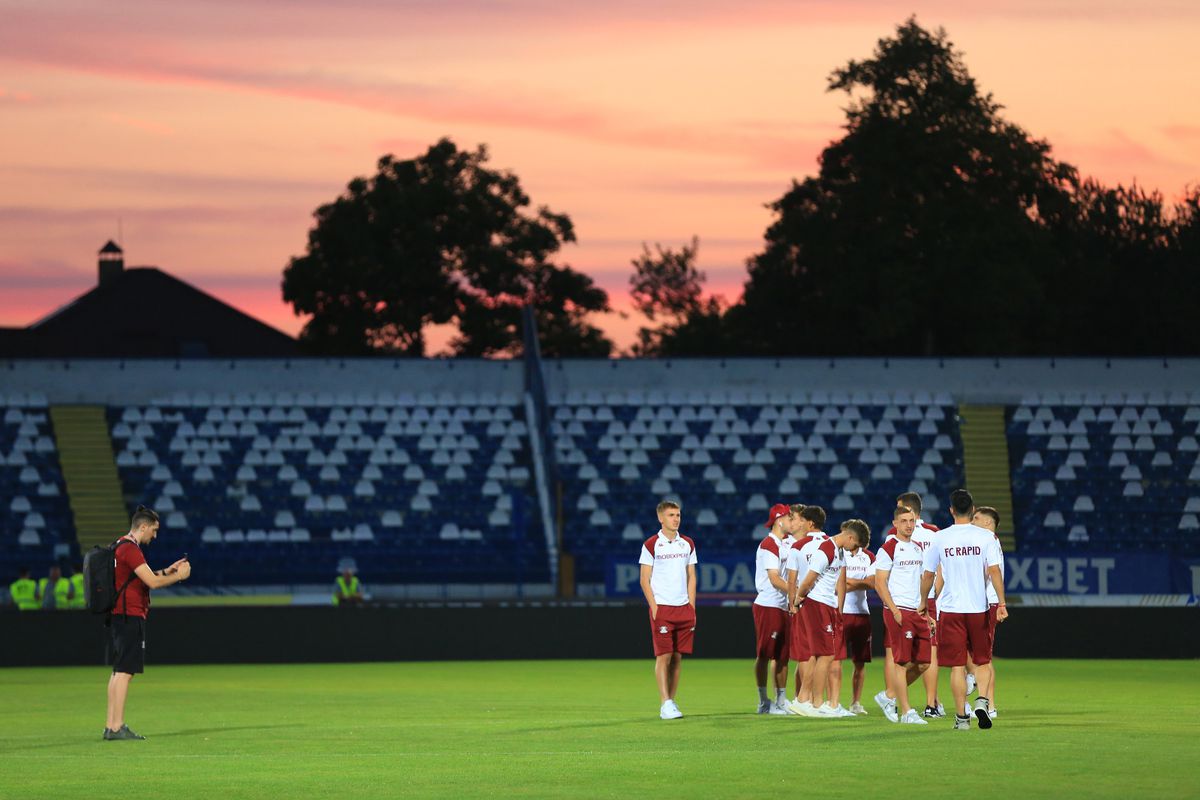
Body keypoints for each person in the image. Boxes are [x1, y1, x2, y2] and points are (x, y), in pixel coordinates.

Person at [918, 489, 1007, 731]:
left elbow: (928, 574)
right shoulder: (986, 538)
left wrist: (923, 602)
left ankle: (962, 718)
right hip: (978, 607)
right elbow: (995, 571)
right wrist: (1001, 603)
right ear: (972, 510)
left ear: (951, 510)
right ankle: (982, 701)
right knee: (982, 661)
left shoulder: (940, 537)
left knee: (957, 666)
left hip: (950, 609)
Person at [105, 505, 191, 741]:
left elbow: (142, 577)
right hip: (129, 614)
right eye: (153, 530)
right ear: (142, 527)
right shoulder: (131, 550)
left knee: (118, 671)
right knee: (125, 671)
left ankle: (111, 724)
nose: (155, 535)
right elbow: (152, 583)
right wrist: (179, 576)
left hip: (120, 614)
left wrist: (167, 570)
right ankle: (116, 727)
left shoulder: (120, 544)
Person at [791, 519, 870, 718]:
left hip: (827, 605)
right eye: (856, 545)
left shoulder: (839, 551)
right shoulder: (825, 549)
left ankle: (808, 701)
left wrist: (837, 608)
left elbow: (837, 581)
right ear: (850, 537)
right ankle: (814, 703)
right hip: (817, 604)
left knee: (821, 655)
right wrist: (798, 599)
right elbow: (809, 578)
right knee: (825, 655)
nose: (855, 550)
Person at [886, 491, 945, 717]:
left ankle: (891, 696)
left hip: (905, 600)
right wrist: (935, 597)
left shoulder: (894, 535)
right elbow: (940, 570)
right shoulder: (935, 533)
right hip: (927, 598)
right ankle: (932, 704)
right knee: (931, 652)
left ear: (907, 510)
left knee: (898, 654)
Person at [873, 505, 932, 725]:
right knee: (901, 661)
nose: (909, 525)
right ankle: (907, 712)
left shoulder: (917, 548)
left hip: (917, 611)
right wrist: (894, 610)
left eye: (911, 521)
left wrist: (925, 609)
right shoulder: (888, 549)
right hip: (898, 611)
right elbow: (879, 583)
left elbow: (919, 581)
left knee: (924, 663)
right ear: (895, 524)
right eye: (904, 521)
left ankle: (889, 696)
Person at [639, 500, 697, 720]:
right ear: (660, 518)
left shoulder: (688, 544)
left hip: (683, 608)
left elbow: (691, 576)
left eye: (678, 515)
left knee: (677, 657)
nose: (676, 519)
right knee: (663, 656)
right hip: (662, 607)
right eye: (671, 515)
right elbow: (645, 579)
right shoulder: (651, 544)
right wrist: (654, 607)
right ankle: (665, 703)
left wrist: (692, 606)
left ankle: (672, 701)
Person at [783, 505, 828, 716]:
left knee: (806, 653)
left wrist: (792, 603)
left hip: (804, 604)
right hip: (826, 605)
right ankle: (812, 700)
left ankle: (804, 698)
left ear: (807, 523)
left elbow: (792, 579)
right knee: (820, 654)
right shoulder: (831, 544)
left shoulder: (798, 547)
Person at [752, 503, 796, 714]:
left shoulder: (787, 542)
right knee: (765, 654)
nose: (792, 521)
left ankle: (780, 699)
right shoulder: (769, 545)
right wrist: (796, 592)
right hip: (769, 604)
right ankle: (763, 701)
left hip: (783, 605)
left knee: (783, 656)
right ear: (780, 520)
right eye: (789, 518)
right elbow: (774, 578)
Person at [970, 506, 1005, 718]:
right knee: (980, 656)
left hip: (987, 603)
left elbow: (990, 572)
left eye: (976, 518)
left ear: (986, 523)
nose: (972, 522)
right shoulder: (991, 542)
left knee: (984, 658)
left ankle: (990, 706)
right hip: (986, 602)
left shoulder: (988, 542)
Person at [842, 535, 875, 715]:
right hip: (841, 612)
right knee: (832, 660)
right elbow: (837, 583)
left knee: (860, 663)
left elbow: (873, 582)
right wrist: (860, 583)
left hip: (862, 613)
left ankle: (855, 702)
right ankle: (831, 702)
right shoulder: (838, 554)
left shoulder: (869, 556)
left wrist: (848, 583)